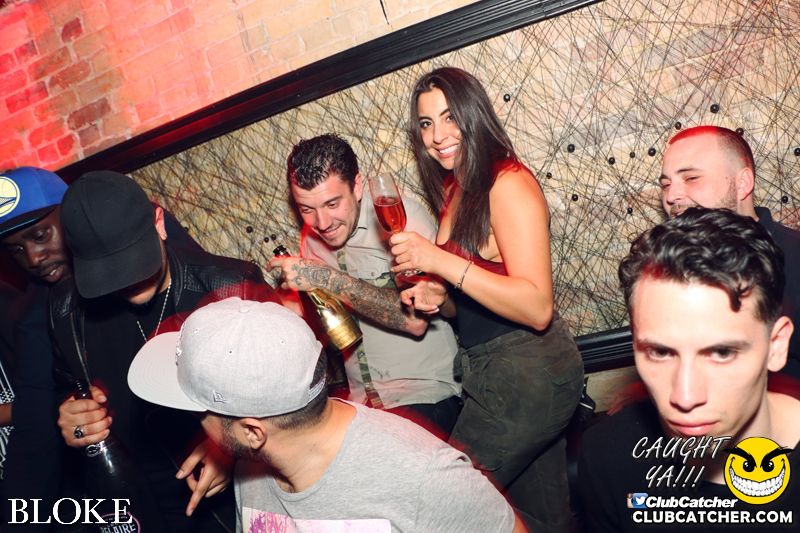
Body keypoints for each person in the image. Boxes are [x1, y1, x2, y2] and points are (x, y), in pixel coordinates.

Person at [128, 297, 526, 532]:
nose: (197, 426)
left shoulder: (426, 478)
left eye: (200, 414)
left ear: (253, 431)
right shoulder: (252, 465)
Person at [392, 67, 584, 531]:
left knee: (444, 503)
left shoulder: (507, 182)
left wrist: (439, 261)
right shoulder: (458, 186)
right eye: (426, 124)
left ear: (474, 113)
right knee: (541, 519)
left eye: (449, 117)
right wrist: (437, 295)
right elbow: (470, 298)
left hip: (527, 369)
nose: (438, 135)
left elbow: (537, 307)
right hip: (494, 371)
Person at [49, 170, 277, 531]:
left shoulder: (231, 286)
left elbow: (286, 395)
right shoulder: (66, 310)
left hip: (229, 508)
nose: (126, 281)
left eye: (133, 261)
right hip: (135, 509)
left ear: (159, 223)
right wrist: (71, 417)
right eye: (108, 273)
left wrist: (231, 446)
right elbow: (65, 386)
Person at [578, 207, 800, 532]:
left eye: (722, 352)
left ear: (776, 346)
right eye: (660, 352)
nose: (684, 396)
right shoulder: (607, 456)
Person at [267, 133, 461, 438]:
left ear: (357, 187)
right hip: (362, 407)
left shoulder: (400, 219)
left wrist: (325, 278)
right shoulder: (311, 239)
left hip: (425, 394)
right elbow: (328, 325)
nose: (322, 222)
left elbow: (415, 321)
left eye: (332, 204)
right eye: (307, 209)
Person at [660, 125, 800, 380]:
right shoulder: (670, 268)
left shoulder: (795, 259)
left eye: (691, 178)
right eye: (666, 184)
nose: (672, 195)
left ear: (742, 183)